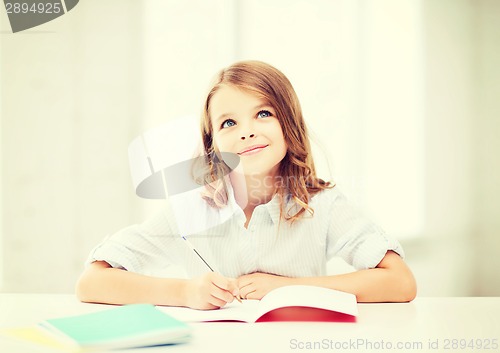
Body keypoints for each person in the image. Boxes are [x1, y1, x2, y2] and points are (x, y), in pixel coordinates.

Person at [76, 60, 417, 310]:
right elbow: (92, 282)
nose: (246, 131)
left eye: (263, 114)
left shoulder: (322, 204)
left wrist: (288, 289)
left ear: (289, 123)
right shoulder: (189, 212)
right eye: (228, 122)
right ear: (213, 145)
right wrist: (185, 293)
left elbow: (400, 282)